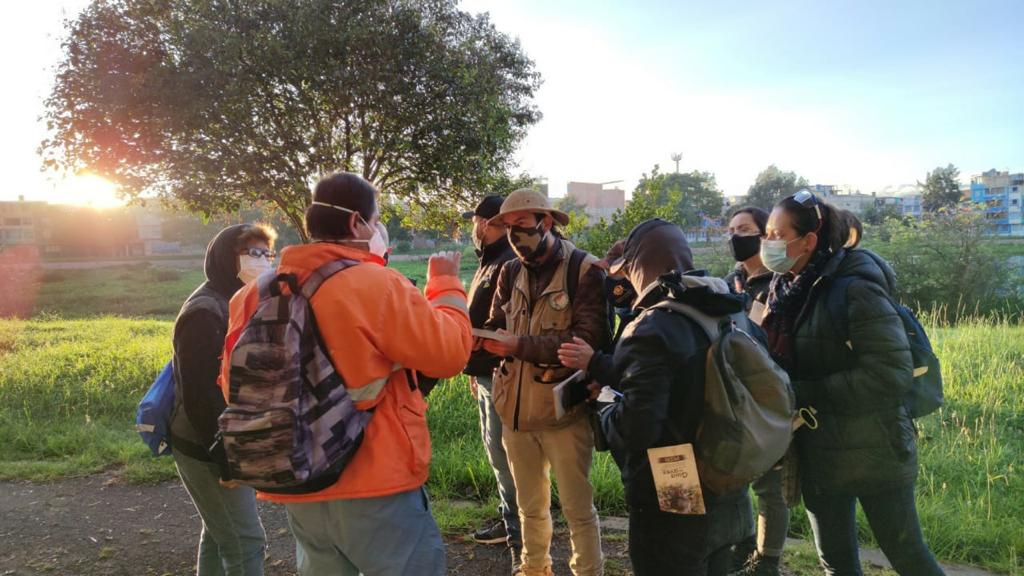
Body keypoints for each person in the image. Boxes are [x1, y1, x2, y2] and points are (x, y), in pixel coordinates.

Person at [220, 172, 473, 576]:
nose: (377, 230)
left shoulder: (252, 294)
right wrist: (444, 286)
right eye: (375, 221)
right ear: (357, 222)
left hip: (297, 475)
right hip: (377, 478)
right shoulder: (377, 284)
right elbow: (451, 355)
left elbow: (231, 383)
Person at [760, 190, 944, 576]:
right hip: (817, 454)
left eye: (777, 234)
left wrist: (802, 392)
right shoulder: (784, 291)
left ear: (808, 241)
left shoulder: (855, 287)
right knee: (837, 564)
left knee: (908, 557)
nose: (768, 243)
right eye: (766, 233)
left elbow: (888, 374)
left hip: (874, 447)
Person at [584, 218, 753, 576]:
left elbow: (637, 427)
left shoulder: (651, 327)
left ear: (639, 268)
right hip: (729, 473)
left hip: (676, 482)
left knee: (668, 564)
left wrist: (604, 403)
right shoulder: (729, 306)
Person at [482, 188, 610, 576]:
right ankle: (533, 568)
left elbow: (588, 342)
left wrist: (518, 344)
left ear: (547, 222)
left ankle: (587, 570)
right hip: (514, 412)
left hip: (563, 413)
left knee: (577, 509)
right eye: (506, 228)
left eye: (521, 226)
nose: (514, 236)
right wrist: (483, 338)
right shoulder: (509, 271)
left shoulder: (585, 270)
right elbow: (495, 325)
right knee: (528, 506)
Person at [170, 223, 276, 576]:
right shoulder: (206, 311)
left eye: (266, 253)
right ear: (223, 258)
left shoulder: (238, 301)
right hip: (208, 446)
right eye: (251, 253)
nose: (261, 261)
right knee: (245, 541)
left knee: (219, 534)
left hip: (221, 440)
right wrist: (229, 457)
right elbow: (200, 396)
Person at [722, 206, 789, 576]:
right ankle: (744, 545)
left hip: (771, 394)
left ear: (765, 234)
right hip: (735, 394)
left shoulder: (780, 282)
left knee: (770, 485)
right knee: (737, 477)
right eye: (730, 229)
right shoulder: (728, 281)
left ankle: (768, 561)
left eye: (743, 229)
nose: (735, 236)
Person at [462, 195, 523, 569]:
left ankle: (519, 533)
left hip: (503, 374)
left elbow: (506, 325)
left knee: (505, 454)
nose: (473, 229)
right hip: (486, 373)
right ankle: (508, 518)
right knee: (496, 451)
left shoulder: (507, 262)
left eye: (475, 221)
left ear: (485, 223)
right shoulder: (490, 261)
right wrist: (474, 369)